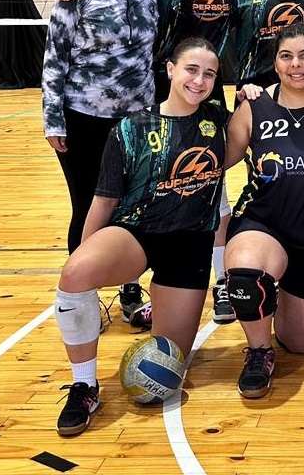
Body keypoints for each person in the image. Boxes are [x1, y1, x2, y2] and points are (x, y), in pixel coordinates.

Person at [53, 0, 242, 327]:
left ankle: (221, 283)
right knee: (121, 193)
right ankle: (116, 287)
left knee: (208, 185)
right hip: (157, 91)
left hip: (206, 87)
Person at [53, 38, 229, 436]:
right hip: (136, 233)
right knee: (75, 274)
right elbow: (103, 201)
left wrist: (253, 92)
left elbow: (259, 122)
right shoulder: (131, 128)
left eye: (209, 74)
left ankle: (158, 311)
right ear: (170, 69)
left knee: (165, 364)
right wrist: (83, 258)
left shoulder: (220, 122)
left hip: (190, 246)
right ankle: (84, 385)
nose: (199, 80)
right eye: (191, 69)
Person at [224, 23, 304, 400]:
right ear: (275, 63)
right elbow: (217, 160)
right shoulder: (254, 106)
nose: (296, 64)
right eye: (286, 56)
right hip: (263, 224)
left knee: (299, 343)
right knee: (247, 274)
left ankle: (276, 291)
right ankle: (258, 351)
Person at [42, 0, 157, 260]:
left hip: (137, 121)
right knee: (87, 205)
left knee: (133, 205)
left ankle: (129, 283)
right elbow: (54, 58)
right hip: (84, 118)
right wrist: (53, 121)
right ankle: (80, 286)